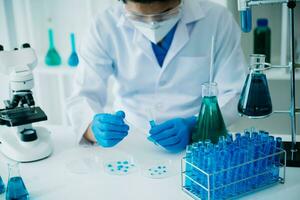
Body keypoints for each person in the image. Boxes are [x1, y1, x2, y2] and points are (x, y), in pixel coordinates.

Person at [67, 0, 247, 152]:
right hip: (131, 141)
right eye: (139, 17)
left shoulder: (217, 20)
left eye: (165, 14)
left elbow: (236, 93)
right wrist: (94, 129)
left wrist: (196, 126)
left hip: (199, 141)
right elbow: (83, 94)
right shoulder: (104, 25)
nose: (153, 24)